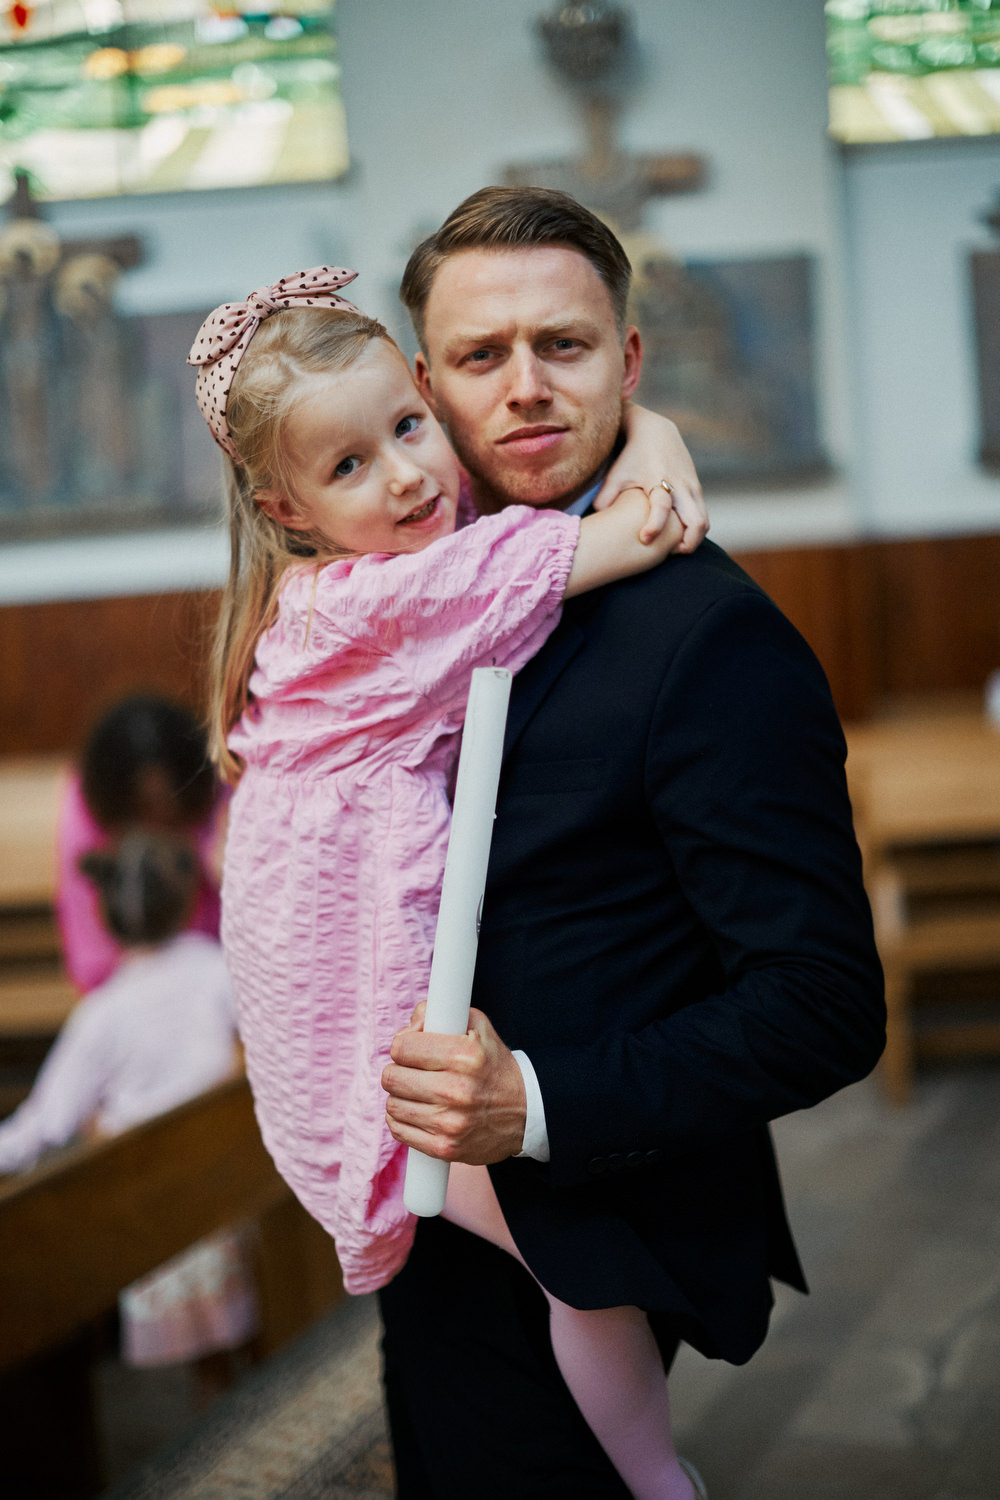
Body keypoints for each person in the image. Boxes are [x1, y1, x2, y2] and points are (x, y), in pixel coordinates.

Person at [378, 186, 886, 1499]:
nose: (526, 387)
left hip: (585, 1214)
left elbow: (823, 1002)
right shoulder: (412, 572)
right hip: (421, 1205)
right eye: (482, 356)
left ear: (629, 357)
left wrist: (535, 1103)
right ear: (425, 387)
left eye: (566, 345)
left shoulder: (710, 637)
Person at [189, 265, 711, 1498]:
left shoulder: (345, 586)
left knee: (554, 1273)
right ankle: (661, 1484)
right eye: (349, 466)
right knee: (575, 1264)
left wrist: (641, 419)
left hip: (330, 995)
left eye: (408, 428)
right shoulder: (386, 599)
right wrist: (650, 430)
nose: (408, 476)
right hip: (352, 1019)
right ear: (287, 507)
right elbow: (642, 530)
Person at [0, 832, 258, 1376]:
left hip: (149, 1215)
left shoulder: (103, 1016)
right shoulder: (216, 969)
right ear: (185, 899)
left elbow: (47, 1124)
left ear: (104, 916)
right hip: (229, 1195)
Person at [56, 693, 225, 993]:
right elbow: (92, 966)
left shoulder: (218, 793)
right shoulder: (85, 811)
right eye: (143, 810)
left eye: (170, 808)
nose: (156, 825)